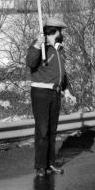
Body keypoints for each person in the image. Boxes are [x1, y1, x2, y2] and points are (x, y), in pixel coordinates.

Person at [27, 17, 77, 176]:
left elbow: (62, 73)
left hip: (55, 93)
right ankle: (40, 166)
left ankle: (50, 163)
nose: (62, 34)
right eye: (60, 31)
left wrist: (67, 90)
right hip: (41, 93)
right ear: (53, 31)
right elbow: (30, 62)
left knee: (52, 131)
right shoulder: (39, 47)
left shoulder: (59, 49)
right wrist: (36, 45)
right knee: (42, 131)